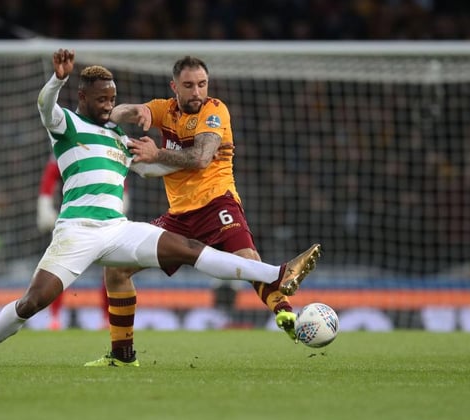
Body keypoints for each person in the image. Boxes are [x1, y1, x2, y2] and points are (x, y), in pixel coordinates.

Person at [0, 48, 321, 366]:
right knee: (32, 302)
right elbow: (45, 106)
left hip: (118, 228)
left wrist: (159, 156)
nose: (108, 105)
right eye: (102, 99)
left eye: (112, 98)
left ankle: (276, 272)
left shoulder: (119, 138)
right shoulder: (66, 124)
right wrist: (57, 79)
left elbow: (148, 168)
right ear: (83, 98)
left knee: (187, 249)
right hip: (77, 231)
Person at [84, 55, 314, 367]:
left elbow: (202, 158)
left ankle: (285, 311)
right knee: (116, 269)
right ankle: (123, 356)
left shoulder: (215, 111)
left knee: (247, 260)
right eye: (189, 85)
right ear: (174, 87)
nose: (197, 92)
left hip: (217, 203)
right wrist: (133, 111)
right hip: (178, 215)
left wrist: (156, 154)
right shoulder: (164, 109)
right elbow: (116, 112)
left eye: (202, 84)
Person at [37, 154, 110, 330]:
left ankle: (107, 318)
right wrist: (45, 207)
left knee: (111, 270)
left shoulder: (105, 149)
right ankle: (54, 318)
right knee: (59, 269)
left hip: (102, 219)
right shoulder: (69, 150)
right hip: (72, 220)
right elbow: (50, 176)